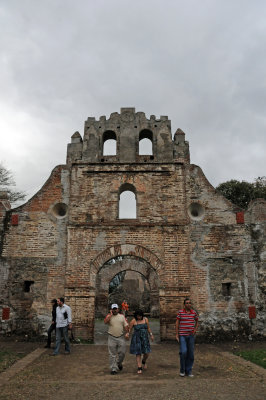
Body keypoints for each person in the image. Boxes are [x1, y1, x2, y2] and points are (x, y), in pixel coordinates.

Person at [176, 298, 199, 377]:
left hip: (191, 336)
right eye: (187, 303)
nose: (188, 304)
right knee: (183, 352)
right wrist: (176, 334)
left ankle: (188, 370)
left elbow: (197, 321)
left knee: (191, 354)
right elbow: (177, 323)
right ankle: (182, 370)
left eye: (189, 303)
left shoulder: (194, 313)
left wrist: (195, 329)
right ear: (184, 305)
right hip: (182, 335)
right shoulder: (180, 312)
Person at [126, 309, 154, 374]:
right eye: (138, 316)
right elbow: (129, 329)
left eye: (140, 316)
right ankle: (139, 367)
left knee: (146, 353)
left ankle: (143, 361)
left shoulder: (145, 319)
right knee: (138, 353)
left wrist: (151, 335)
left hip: (144, 338)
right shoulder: (133, 321)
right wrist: (127, 334)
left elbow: (148, 328)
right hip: (137, 338)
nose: (139, 317)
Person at [104, 303, 129, 375]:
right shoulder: (109, 316)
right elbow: (105, 322)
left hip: (120, 336)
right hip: (111, 336)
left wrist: (127, 333)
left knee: (122, 353)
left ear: (118, 309)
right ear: (111, 310)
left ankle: (119, 363)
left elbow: (126, 325)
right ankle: (113, 368)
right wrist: (110, 315)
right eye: (113, 309)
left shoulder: (122, 316)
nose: (115, 310)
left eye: (116, 309)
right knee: (112, 354)